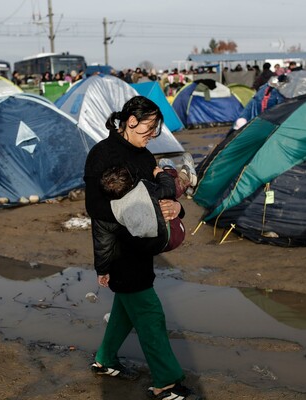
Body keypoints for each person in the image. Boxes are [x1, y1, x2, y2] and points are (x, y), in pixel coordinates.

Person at [84, 96, 200, 400]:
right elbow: (96, 208)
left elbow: (162, 195)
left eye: (156, 130)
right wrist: (139, 211)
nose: (152, 135)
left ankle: (104, 360)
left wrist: (176, 207)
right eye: (149, 128)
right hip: (121, 251)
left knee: (126, 307)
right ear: (130, 122)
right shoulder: (102, 154)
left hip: (143, 246)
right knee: (149, 313)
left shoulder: (145, 156)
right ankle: (167, 382)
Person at [96, 153, 197, 271]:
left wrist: (102, 270)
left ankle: (178, 178)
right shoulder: (147, 193)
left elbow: (102, 244)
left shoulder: (113, 208)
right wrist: (160, 174)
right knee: (166, 194)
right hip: (173, 234)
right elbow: (168, 188)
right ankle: (183, 177)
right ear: (132, 183)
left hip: (152, 247)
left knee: (160, 195)